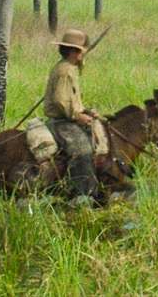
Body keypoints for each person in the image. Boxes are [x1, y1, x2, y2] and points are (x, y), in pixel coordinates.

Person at [43, 28, 100, 205]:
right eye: (81, 50)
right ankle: (83, 194)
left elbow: (72, 100)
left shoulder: (68, 69)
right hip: (61, 121)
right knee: (82, 149)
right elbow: (61, 101)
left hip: (69, 117)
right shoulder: (64, 71)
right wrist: (77, 117)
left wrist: (86, 112)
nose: (83, 54)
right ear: (72, 51)